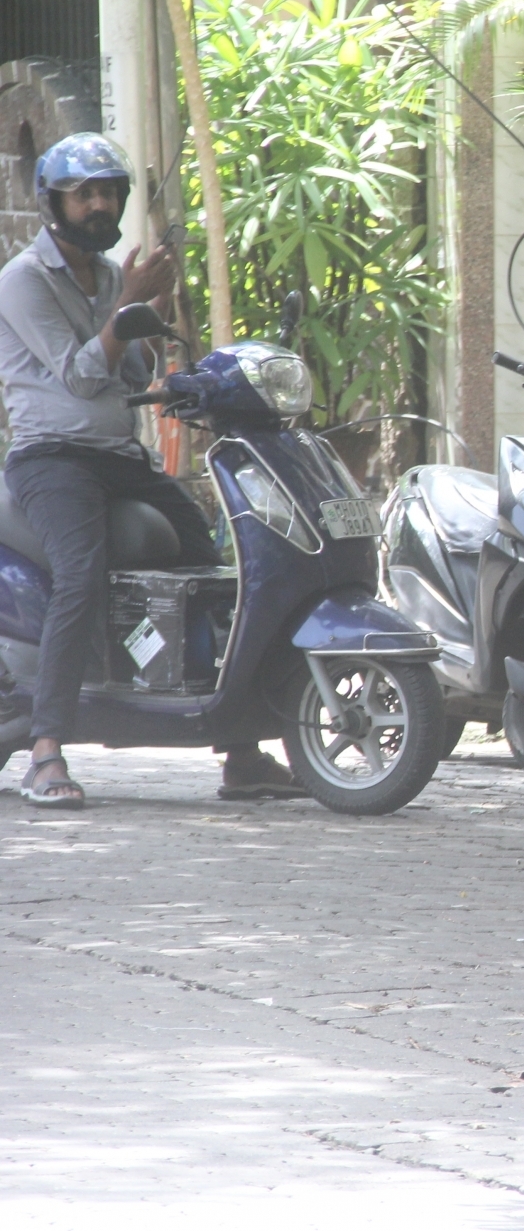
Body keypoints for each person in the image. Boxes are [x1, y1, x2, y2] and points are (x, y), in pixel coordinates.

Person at [0, 132, 299, 809]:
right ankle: (46, 750)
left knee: (210, 552)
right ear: (55, 203)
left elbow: (131, 372)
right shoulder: (22, 281)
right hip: (52, 458)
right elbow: (79, 378)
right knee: (81, 569)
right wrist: (129, 305)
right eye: (86, 194)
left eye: (109, 192)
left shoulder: (109, 276)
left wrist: (150, 310)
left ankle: (242, 749)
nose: (100, 204)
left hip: (118, 457)